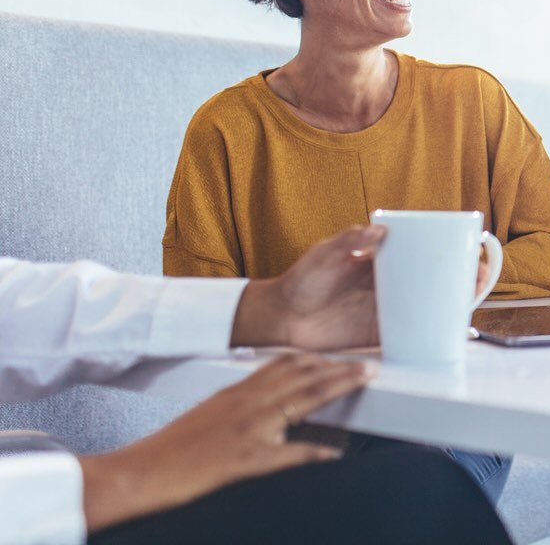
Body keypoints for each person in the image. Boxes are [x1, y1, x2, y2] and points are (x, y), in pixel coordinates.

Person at [164, 0, 550, 500]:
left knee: (415, 491)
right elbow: (196, 316)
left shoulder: (471, 100)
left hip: (451, 425)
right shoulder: (226, 132)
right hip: (299, 430)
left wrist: (433, 290)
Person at [0, 226, 511, 544]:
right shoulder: (230, 123)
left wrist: (266, 309)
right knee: (417, 496)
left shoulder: (476, 101)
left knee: (418, 480)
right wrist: (118, 478)